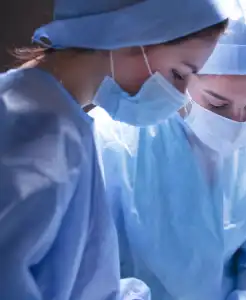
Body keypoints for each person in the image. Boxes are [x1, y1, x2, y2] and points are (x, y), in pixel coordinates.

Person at [0, 0, 228, 298]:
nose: (179, 95)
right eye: (178, 73)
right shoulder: (41, 126)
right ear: (133, 36)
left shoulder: (46, 110)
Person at [90, 0, 246, 299]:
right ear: (181, 78)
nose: (237, 121)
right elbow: (89, 272)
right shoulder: (111, 137)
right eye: (217, 104)